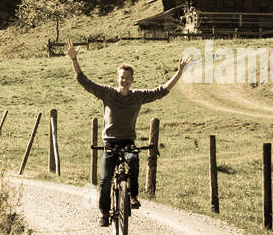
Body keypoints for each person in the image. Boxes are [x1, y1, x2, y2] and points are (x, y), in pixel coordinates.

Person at [65, 37, 192, 225]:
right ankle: (104, 214)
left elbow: (162, 90)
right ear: (117, 78)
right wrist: (74, 59)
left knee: (133, 162)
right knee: (105, 179)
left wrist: (179, 72)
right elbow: (85, 82)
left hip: (127, 142)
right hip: (110, 142)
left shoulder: (138, 96)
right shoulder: (107, 92)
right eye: (121, 77)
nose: (124, 80)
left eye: (127, 78)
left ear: (132, 80)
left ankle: (132, 196)